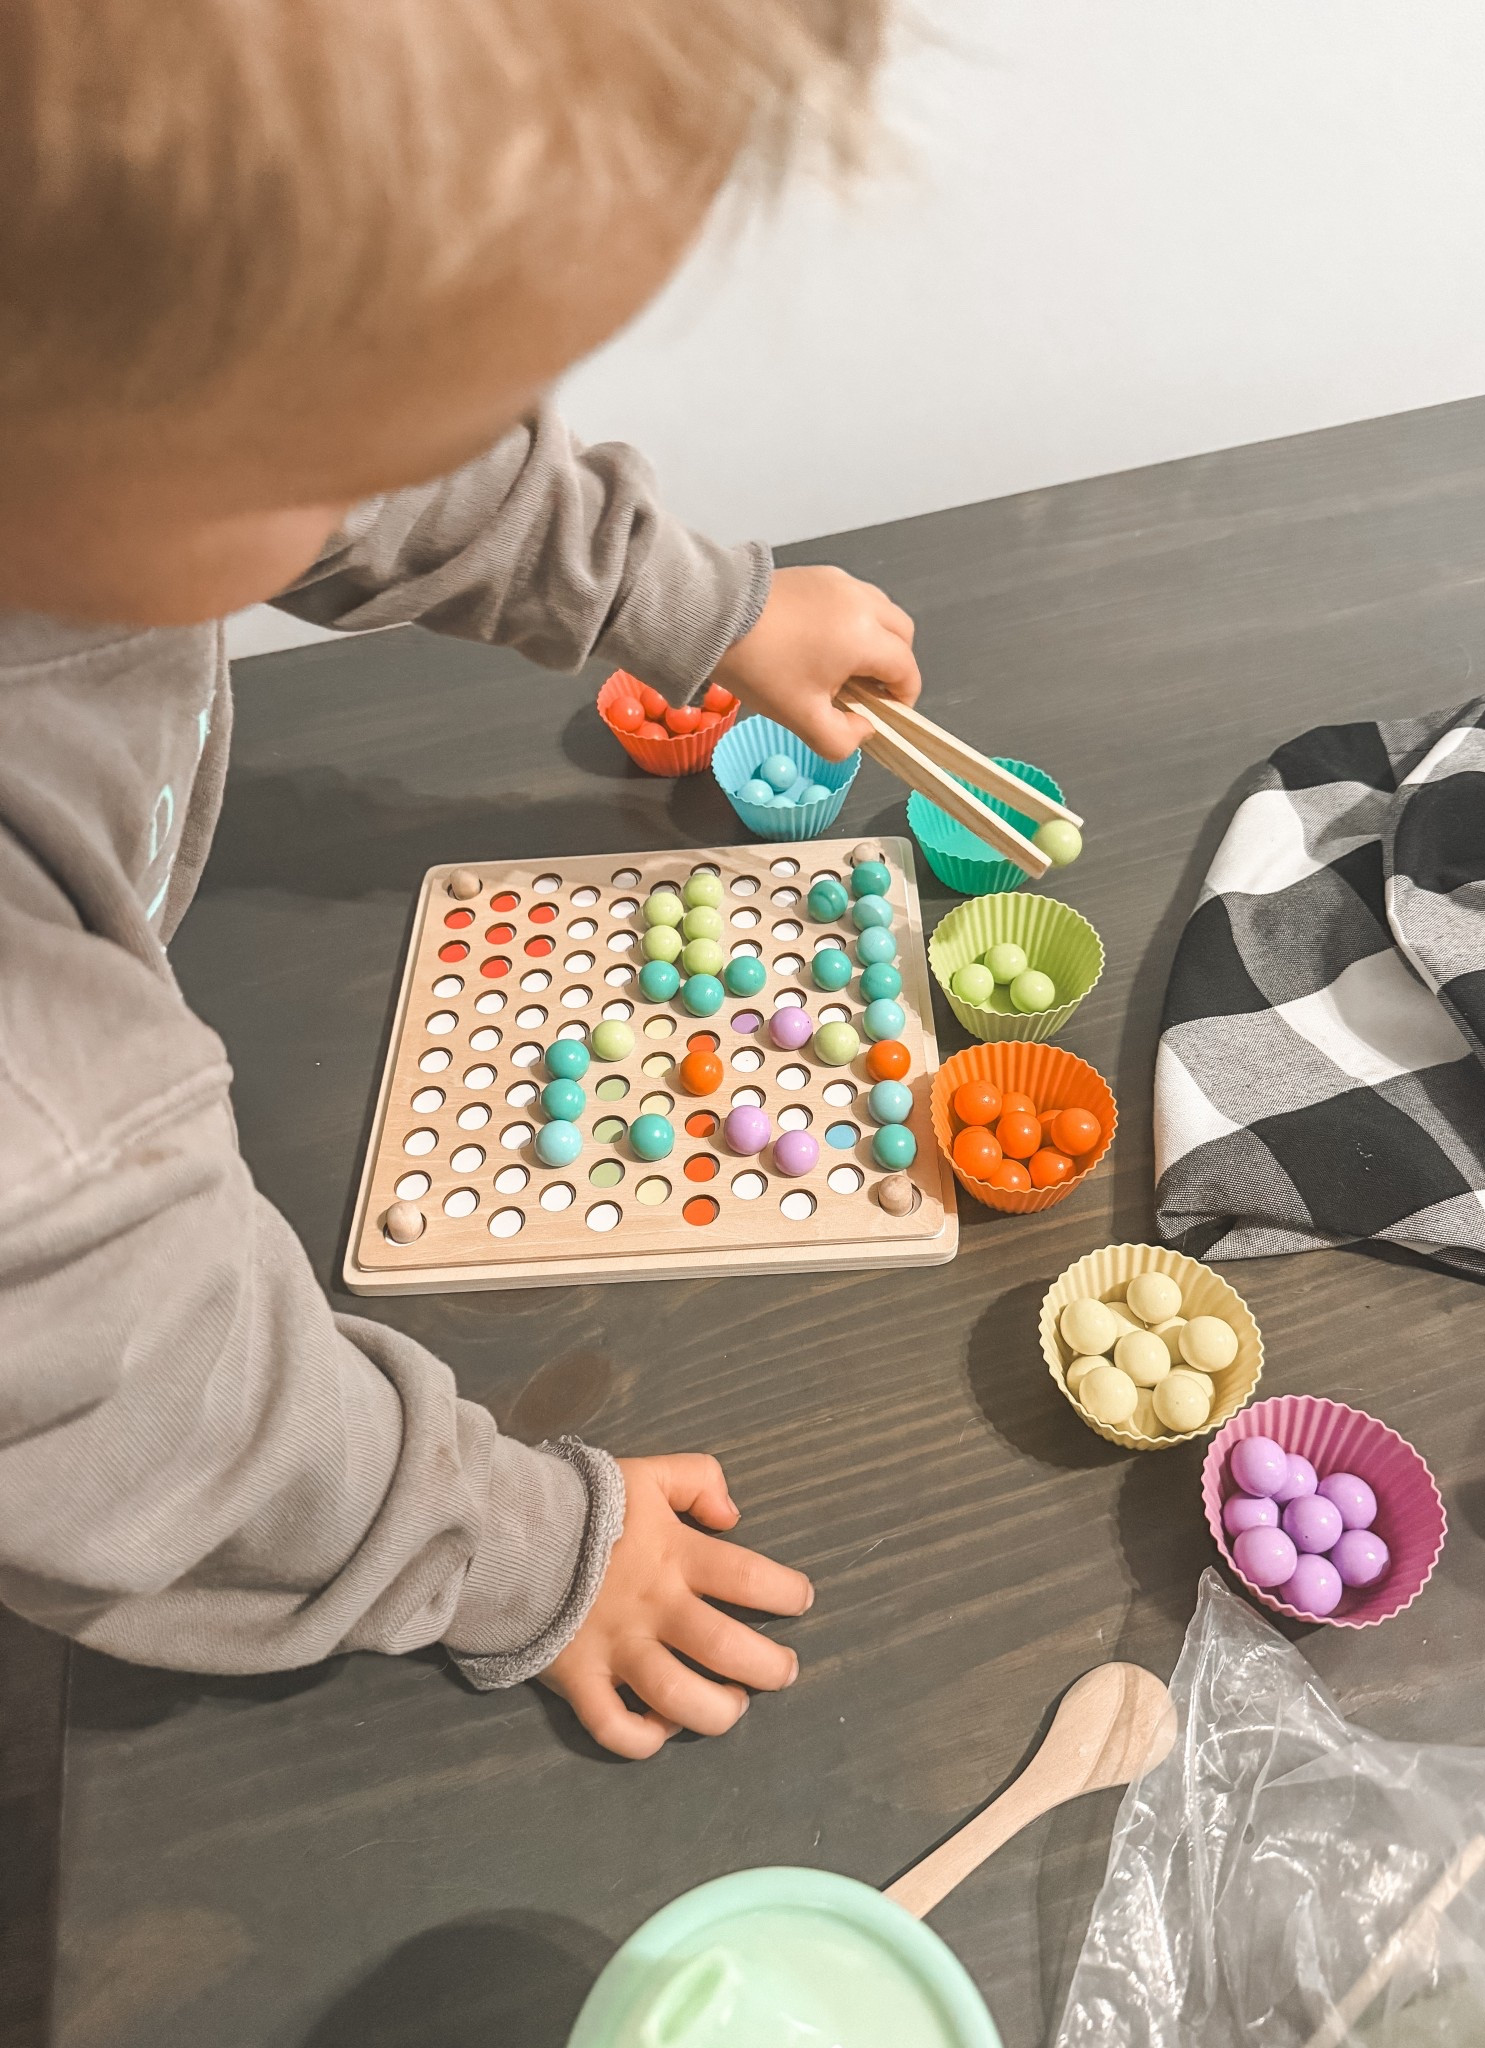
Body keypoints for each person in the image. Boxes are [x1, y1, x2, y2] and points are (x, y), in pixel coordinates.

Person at [0, 0, 922, 1759]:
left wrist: (695, 604)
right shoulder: (38, 1110)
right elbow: (170, 1412)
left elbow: (379, 477)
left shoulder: (96, 389)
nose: (425, 458)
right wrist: (520, 1545)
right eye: (355, 430)